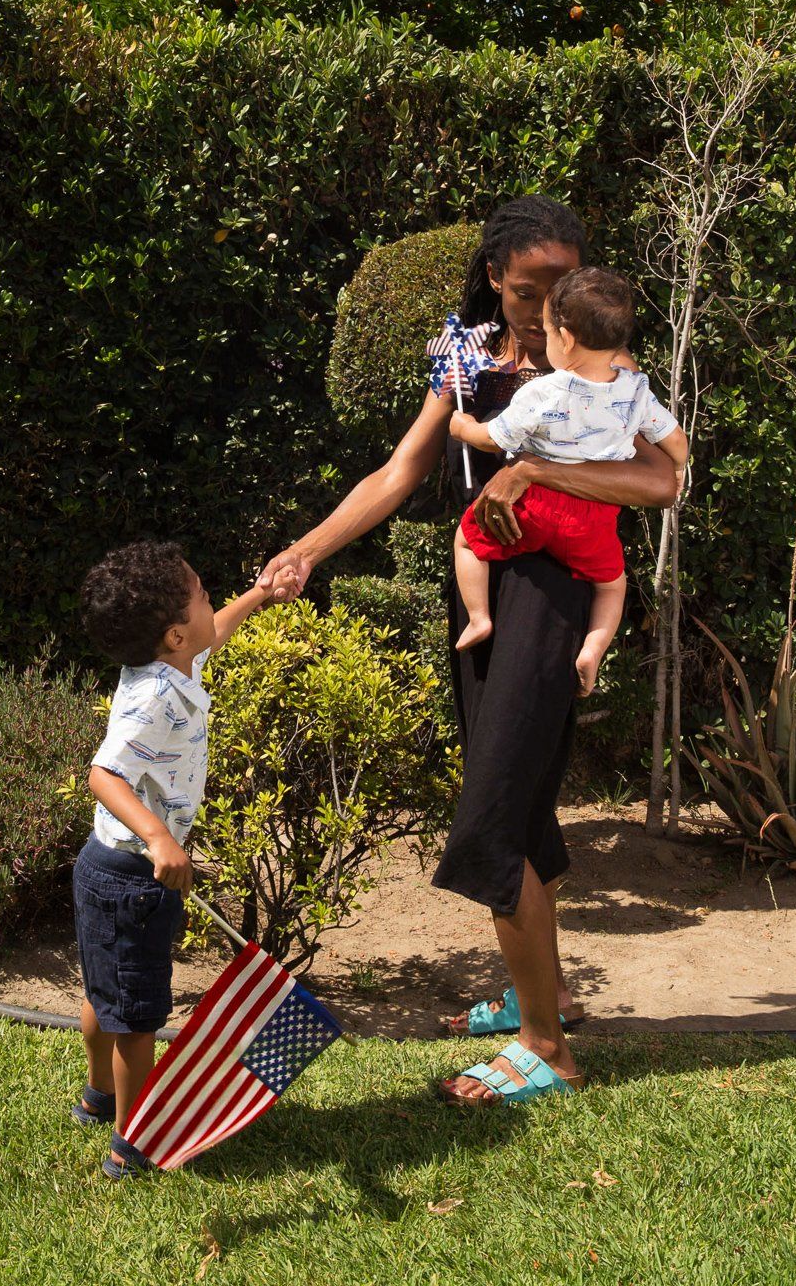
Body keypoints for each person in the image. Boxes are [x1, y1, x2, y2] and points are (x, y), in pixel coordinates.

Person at [257, 195, 681, 1107]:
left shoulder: (603, 364)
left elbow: (662, 480)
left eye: (561, 288)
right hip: (487, 593)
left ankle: (547, 1051)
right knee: (518, 802)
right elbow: (402, 469)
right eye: (529, 290)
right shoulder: (470, 355)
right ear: (495, 277)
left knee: (495, 806)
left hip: (557, 595)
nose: (546, 307)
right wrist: (307, 552)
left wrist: (534, 470)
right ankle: (545, 996)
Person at [69, 538, 268, 1178]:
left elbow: (214, 633)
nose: (213, 602)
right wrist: (159, 837)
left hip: (103, 865)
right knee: (137, 1019)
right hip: (132, 878)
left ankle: (98, 1097)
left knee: (105, 994)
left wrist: (260, 595)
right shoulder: (154, 699)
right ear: (176, 635)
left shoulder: (172, 662)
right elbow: (103, 775)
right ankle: (132, 1145)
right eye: (205, 595)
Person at [451, 267, 689, 695]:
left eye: (547, 331)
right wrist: (678, 467)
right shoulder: (635, 391)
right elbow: (674, 438)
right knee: (612, 586)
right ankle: (593, 649)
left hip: (534, 507)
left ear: (565, 338)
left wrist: (462, 427)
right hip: (594, 520)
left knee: (467, 541)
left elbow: (493, 439)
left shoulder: (543, 393)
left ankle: (479, 617)